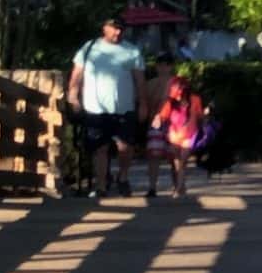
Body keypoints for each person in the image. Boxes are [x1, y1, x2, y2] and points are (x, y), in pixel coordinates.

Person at [67, 15, 144, 198]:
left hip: (124, 107)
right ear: (105, 28)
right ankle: (101, 186)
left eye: (121, 29)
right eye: (114, 28)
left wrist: (143, 104)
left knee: (125, 146)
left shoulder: (132, 51)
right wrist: (73, 95)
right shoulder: (89, 49)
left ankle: (122, 177)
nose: (118, 32)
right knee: (99, 147)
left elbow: (139, 81)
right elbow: (77, 75)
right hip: (95, 107)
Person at [147, 74, 205, 199]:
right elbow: (163, 115)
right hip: (174, 137)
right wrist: (158, 119)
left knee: (181, 162)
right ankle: (180, 186)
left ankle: (178, 188)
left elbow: (200, 116)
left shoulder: (195, 100)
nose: (178, 95)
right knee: (175, 163)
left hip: (189, 137)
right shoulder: (170, 102)